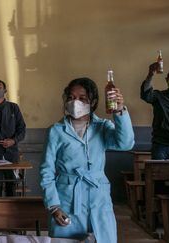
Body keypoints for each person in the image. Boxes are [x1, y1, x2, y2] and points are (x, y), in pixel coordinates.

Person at [39, 78, 134, 243]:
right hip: (67, 199)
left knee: (103, 237)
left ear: (93, 101)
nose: (75, 102)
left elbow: (125, 143)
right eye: (71, 97)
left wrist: (119, 111)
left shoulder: (103, 127)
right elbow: (46, 171)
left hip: (98, 197)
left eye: (82, 98)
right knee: (68, 239)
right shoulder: (56, 131)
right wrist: (54, 206)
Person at [141, 64, 169, 159]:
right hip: (160, 145)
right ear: (167, 80)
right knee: (158, 173)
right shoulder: (159, 96)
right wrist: (150, 74)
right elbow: (146, 94)